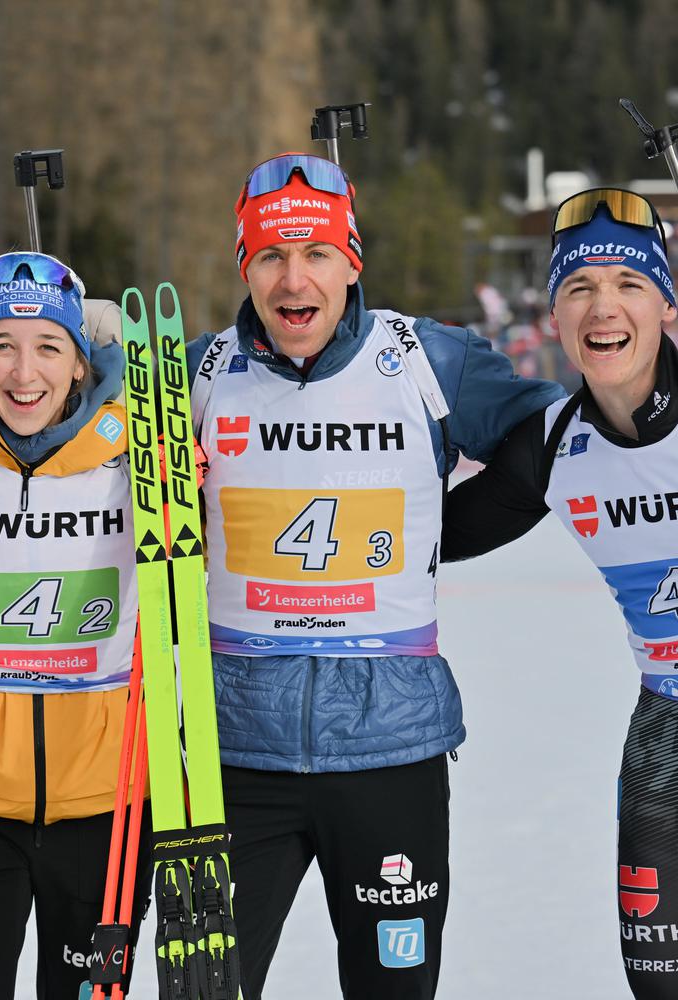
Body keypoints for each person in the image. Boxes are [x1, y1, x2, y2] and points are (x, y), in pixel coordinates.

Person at [183, 152, 565, 999]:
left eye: (316, 253)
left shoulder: (425, 359)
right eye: (270, 257)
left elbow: (554, 431)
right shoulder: (200, 373)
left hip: (391, 749)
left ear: (351, 260)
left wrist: (448, 531)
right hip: (239, 755)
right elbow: (63, 407)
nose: (293, 280)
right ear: (244, 265)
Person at [442, 188, 678, 1000]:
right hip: (666, 733)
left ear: (665, 305)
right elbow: (417, 538)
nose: (602, 307)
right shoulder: (552, 449)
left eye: (628, 284)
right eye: (579, 287)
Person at [0, 251, 149, 998]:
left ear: (81, 364)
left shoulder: (140, 447)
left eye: (49, 347)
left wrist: (135, 356)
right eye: (2, 347)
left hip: (106, 805)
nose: (24, 373)